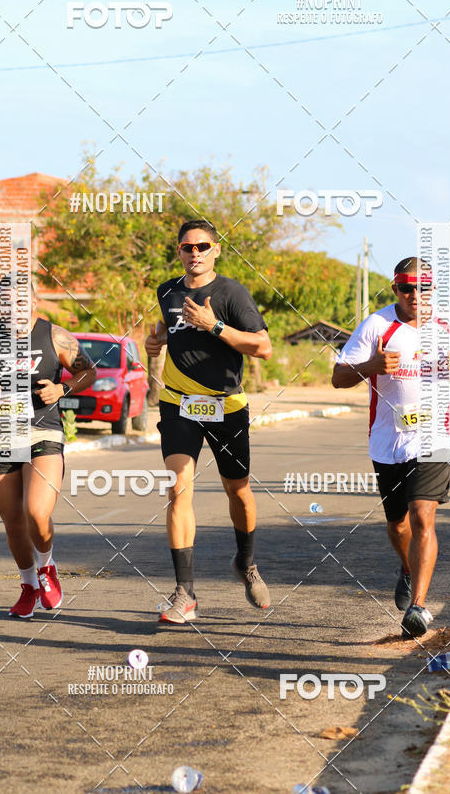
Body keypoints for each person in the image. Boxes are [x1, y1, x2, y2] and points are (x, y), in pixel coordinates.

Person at [332, 257, 450, 637]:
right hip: (388, 441)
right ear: (395, 288)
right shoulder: (377, 325)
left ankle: (417, 607)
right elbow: (338, 377)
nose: (416, 295)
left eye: (424, 288)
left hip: (434, 437)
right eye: (407, 288)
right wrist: (371, 365)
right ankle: (405, 566)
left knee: (422, 516)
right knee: (398, 524)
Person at [145, 219, 272, 625]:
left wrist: (214, 326)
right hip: (178, 403)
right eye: (187, 247)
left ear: (217, 250)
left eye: (202, 246)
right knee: (177, 490)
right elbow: (171, 326)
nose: (194, 253)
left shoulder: (232, 293)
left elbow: (262, 347)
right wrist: (158, 339)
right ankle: (185, 593)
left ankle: (246, 563)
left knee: (239, 492)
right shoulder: (167, 290)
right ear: (179, 251)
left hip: (225, 404)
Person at [0, 279, 96, 618]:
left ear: (34, 303)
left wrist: (62, 389)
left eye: (21, 302)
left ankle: (47, 566)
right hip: (1, 436)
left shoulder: (55, 336)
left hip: (42, 432)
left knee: (36, 511)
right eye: (6, 303)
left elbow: (89, 373)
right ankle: (29, 584)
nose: (14, 310)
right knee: (14, 522)